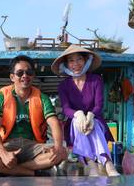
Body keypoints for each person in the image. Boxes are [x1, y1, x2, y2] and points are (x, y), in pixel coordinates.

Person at [0, 55, 67, 176]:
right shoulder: (1, 97)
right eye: (20, 73)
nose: (25, 76)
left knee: (62, 153)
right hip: (7, 144)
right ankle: (32, 172)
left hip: (32, 145)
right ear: (12, 77)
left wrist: (58, 147)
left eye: (29, 72)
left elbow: (54, 123)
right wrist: (3, 154)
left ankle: (11, 169)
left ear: (33, 75)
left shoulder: (42, 98)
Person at [51, 44, 119, 176]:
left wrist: (90, 117)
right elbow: (66, 109)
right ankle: (95, 163)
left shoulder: (96, 80)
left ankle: (106, 164)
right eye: (71, 60)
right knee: (78, 124)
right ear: (66, 64)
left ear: (86, 61)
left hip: (96, 121)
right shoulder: (64, 85)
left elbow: (99, 105)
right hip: (74, 126)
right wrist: (78, 114)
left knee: (94, 127)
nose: (75, 64)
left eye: (79, 59)